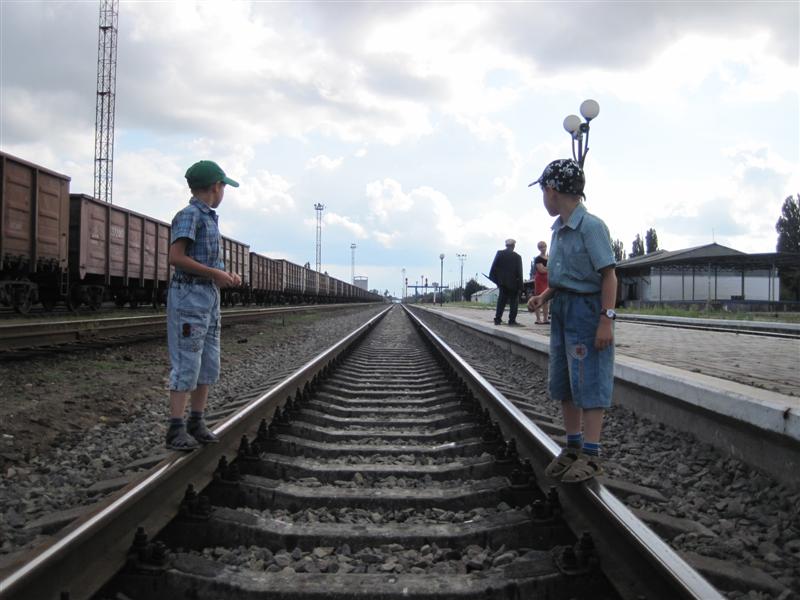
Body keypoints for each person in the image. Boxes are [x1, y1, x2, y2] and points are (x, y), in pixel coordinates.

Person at [526, 159, 617, 482]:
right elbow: (562, 279)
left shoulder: (591, 227)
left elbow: (608, 276)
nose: (543, 198)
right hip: (563, 309)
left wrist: (606, 319)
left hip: (587, 311)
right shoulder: (558, 231)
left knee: (589, 378)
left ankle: (591, 454)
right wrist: (544, 297)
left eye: (542, 191)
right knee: (565, 381)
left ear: (551, 191)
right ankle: (574, 446)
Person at [165, 160, 242, 451]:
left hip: (208, 297)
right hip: (189, 297)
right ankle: (175, 428)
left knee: (208, 361)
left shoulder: (209, 218)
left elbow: (207, 261)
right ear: (215, 187)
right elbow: (176, 257)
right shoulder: (189, 216)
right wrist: (215, 274)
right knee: (187, 360)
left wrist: (226, 274)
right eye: (224, 186)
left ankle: (196, 421)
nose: (224, 192)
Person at [489, 239, 524, 326]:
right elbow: (520, 273)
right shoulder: (517, 257)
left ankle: (497, 319)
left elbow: (493, 268)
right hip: (513, 284)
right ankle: (511, 320)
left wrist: (497, 281)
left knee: (501, 301)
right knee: (513, 303)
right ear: (513, 246)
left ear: (506, 245)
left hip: (502, 283)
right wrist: (521, 287)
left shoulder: (499, 253)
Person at [533, 241, 549, 324]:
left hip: (548, 280)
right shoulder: (538, 258)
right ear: (539, 248)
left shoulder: (549, 257)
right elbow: (541, 270)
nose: (543, 248)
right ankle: (538, 318)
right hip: (540, 280)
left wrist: (546, 268)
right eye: (541, 247)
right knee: (538, 298)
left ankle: (545, 318)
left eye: (544, 246)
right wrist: (548, 268)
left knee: (546, 299)